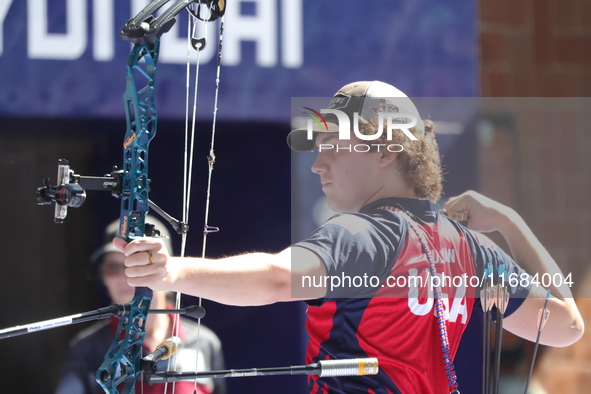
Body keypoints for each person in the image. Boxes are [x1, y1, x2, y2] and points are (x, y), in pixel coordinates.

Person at [112, 81, 583, 394]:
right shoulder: (473, 247)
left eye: (334, 146)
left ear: (387, 150)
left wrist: (171, 271)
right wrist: (507, 221)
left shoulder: (364, 233)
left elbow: (277, 278)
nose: (319, 164)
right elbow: (568, 326)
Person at [55, 216, 226, 394]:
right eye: (113, 267)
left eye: (140, 264)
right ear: (103, 276)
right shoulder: (86, 349)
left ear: (166, 270)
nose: (126, 277)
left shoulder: (205, 342)